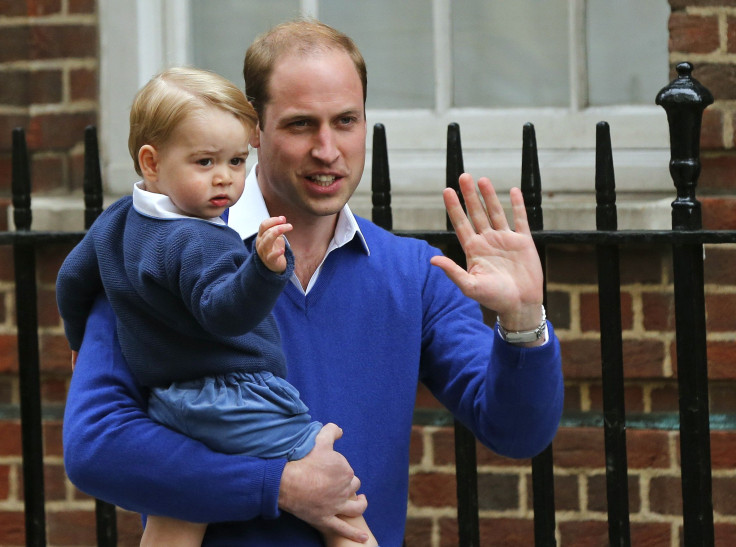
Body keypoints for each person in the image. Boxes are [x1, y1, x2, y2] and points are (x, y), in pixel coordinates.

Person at [62, 18, 564, 546]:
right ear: (254, 130)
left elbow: (517, 432)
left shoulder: (415, 274)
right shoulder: (159, 253)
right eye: (302, 124)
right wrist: (278, 486)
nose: (328, 149)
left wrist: (524, 317)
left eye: (345, 121)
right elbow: (97, 447)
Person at [57, 66, 377, 546]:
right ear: (151, 161)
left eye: (235, 161)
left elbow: (72, 279)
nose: (225, 179)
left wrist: (77, 340)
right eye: (205, 162)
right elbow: (224, 313)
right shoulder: (198, 240)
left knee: (176, 517)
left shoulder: (116, 222)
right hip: (238, 399)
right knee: (336, 490)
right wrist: (264, 273)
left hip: (168, 403)